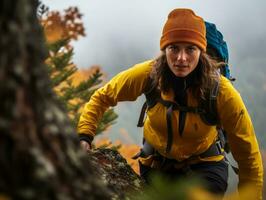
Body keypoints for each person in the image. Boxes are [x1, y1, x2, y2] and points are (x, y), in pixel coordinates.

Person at [77, 8, 263, 199]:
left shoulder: (222, 91)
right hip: (157, 165)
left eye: (190, 49)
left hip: (206, 167)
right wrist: (85, 136)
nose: (181, 58)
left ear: (201, 51)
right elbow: (102, 97)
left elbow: (249, 158)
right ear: (165, 49)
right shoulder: (148, 74)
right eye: (174, 48)